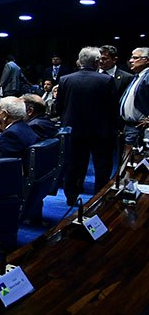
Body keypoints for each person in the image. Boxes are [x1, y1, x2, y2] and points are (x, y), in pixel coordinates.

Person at [58, 47, 118, 204]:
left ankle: (70, 197)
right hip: (100, 131)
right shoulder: (106, 80)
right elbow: (112, 108)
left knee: (73, 164)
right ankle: (99, 199)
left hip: (73, 129)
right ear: (96, 61)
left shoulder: (65, 79)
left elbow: (60, 107)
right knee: (101, 166)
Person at [120, 47, 149, 146]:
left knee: (136, 159)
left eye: (136, 58)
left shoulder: (148, 76)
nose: (131, 61)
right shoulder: (137, 76)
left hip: (140, 127)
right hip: (130, 126)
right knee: (128, 159)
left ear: (147, 60)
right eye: (132, 57)